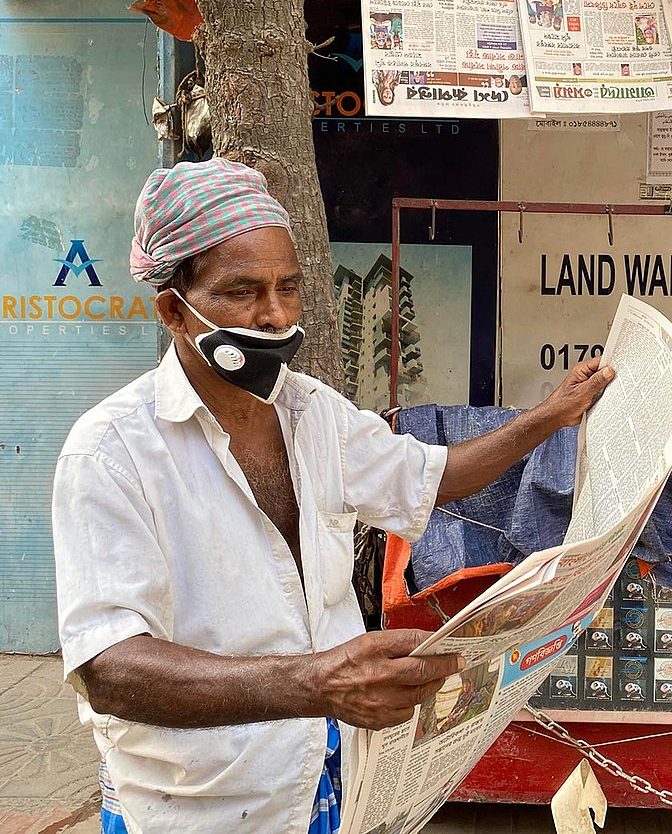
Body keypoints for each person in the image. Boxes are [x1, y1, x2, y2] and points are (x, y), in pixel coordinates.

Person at [52, 158, 615, 833]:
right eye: (243, 291)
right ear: (174, 309)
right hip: (197, 805)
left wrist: (548, 417)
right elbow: (108, 666)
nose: (276, 315)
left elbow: (432, 478)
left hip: (330, 781)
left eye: (289, 288)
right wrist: (316, 683)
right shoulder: (111, 451)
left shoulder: (313, 412)